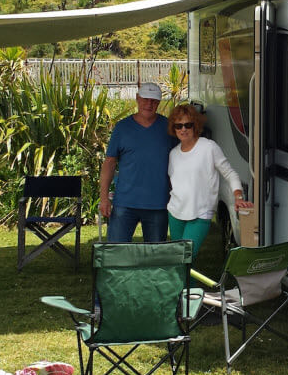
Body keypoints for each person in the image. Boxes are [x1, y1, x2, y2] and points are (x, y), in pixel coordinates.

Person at [166, 104, 251, 257]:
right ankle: (185, 283)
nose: (183, 129)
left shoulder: (209, 147)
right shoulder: (173, 154)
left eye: (188, 124)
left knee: (185, 258)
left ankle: (185, 282)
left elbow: (230, 174)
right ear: (174, 128)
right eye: (178, 125)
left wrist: (238, 197)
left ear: (195, 125)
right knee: (177, 262)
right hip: (175, 213)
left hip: (200, 214)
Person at [99, 82, 176, 242]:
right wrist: (104, 198)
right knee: (117, 253)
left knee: (155, 258)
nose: (149, 104)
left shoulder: (169, 128)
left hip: (158, 203)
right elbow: (109, 163)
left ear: (159, 102)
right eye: (145, 99)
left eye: (154, 101)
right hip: (125, 203)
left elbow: (182, 160)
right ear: (137, 98)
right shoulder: (122, 128)